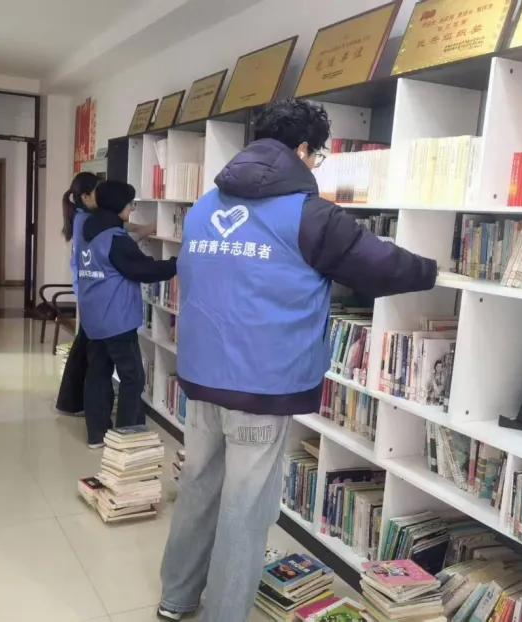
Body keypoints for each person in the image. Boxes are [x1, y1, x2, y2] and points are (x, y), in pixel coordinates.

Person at [157, 100, 438, 622]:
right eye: (318, 155)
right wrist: (434, 269)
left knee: (197, 485)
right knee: (244, 510)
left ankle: (176, 599)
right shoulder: (311, 215)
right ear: (304, 149)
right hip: (262, 387)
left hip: (200, 375)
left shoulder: (204, 205)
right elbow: (378, 266)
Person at [77, 181, 176, 448]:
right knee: (132, 378)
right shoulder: (116, 239)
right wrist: (177, 263)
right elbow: (143, 270)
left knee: (97, 374)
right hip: (116, 320)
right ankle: (127, 438)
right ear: (118, 205)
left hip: (92, 318)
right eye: (130, 204)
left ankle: (97, 435)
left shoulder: (88, 231)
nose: (132, 209)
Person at [54, 172, 100, 416]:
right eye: (98, 191)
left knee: (83, 343)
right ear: (85, 196)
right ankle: (72, 401)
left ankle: (70, 401)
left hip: (85, 288)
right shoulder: (86, 220)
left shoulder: (82, 217)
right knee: (84, 346)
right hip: (88, 289)